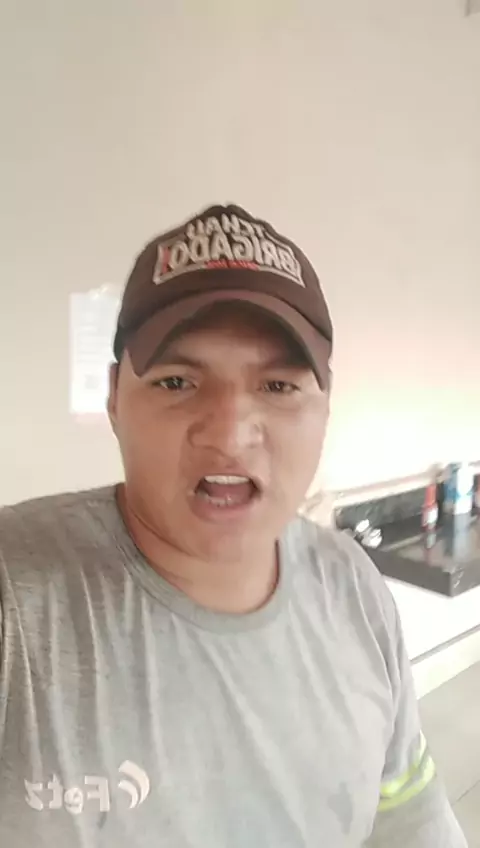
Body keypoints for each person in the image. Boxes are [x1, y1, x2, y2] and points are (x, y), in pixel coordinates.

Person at [0, 204, 467, 848]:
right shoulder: (18, 598)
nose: (228, 434)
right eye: (176, 381)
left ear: (325, 405)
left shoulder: (355, 589)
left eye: (277, 386)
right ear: (113, 398)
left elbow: (409, 814)